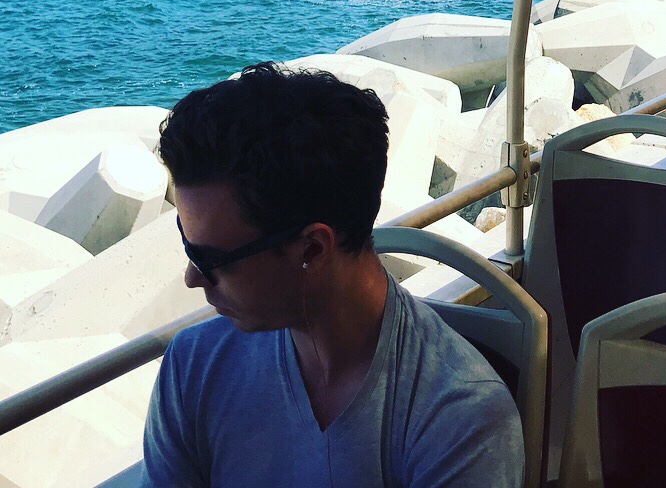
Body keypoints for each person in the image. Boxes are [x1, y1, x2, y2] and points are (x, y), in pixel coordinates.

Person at [140, 62, 525, 487]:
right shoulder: (192, 366)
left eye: (212, 259)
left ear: (312, 249)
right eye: (186, 243)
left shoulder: (462, 418)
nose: (192, 277)